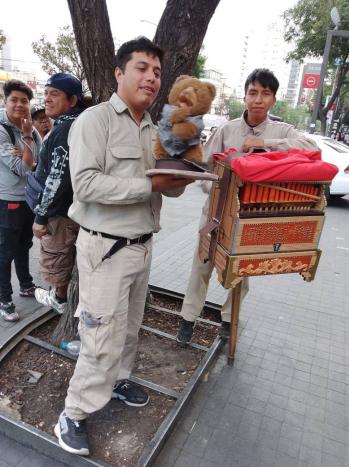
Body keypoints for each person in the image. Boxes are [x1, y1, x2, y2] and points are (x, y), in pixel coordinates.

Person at [54, 37, 193, 456]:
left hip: (142, 246)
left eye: (156, 71)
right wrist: (150, 183)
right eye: (142, 68)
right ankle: (73, 414)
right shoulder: (94, 122)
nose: (151, 78)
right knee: (100, 335)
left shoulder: (156, 128)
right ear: (119, 72)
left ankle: (117, 381)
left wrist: (185, 175)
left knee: (130, 327)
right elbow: (88, 185)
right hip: (104, 251)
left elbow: (168, 194)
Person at [176, 68, 318, 344]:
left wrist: (265, 143)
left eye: (265, 94)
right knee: (201, 266)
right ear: (245, 96)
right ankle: (187, 320)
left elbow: (310, 146)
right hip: (215, 215)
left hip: (250, 219)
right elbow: (205, 168)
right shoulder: (227, 129)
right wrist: (218, 188)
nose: (258, 99)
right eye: (253, 92)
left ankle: (228, 321)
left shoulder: (282, 130)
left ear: (273, 100)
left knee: (242, 272)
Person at [32, 73, 86, 314]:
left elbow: (57, 178)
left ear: (72, 100)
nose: (47, 99)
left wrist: (41, 217)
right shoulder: (76, 123)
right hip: (72, 211)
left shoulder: (65, 129)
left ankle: (60, 300)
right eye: (45, 93)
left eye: (54, 94)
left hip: (60, 215)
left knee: (56, 259)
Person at [0, 80, 40, 322]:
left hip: (28, 198)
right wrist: (26, 142)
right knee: (5, 251)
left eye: (24, 101)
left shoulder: (30, 128)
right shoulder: (3, 129)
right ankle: (4, 298)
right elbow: (22, 167)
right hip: (7, 200)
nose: (20, 105)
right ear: (5, 100)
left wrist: (27, 149)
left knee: (24, 244)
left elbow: (39, 160)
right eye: (14, 100)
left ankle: (26, 284)